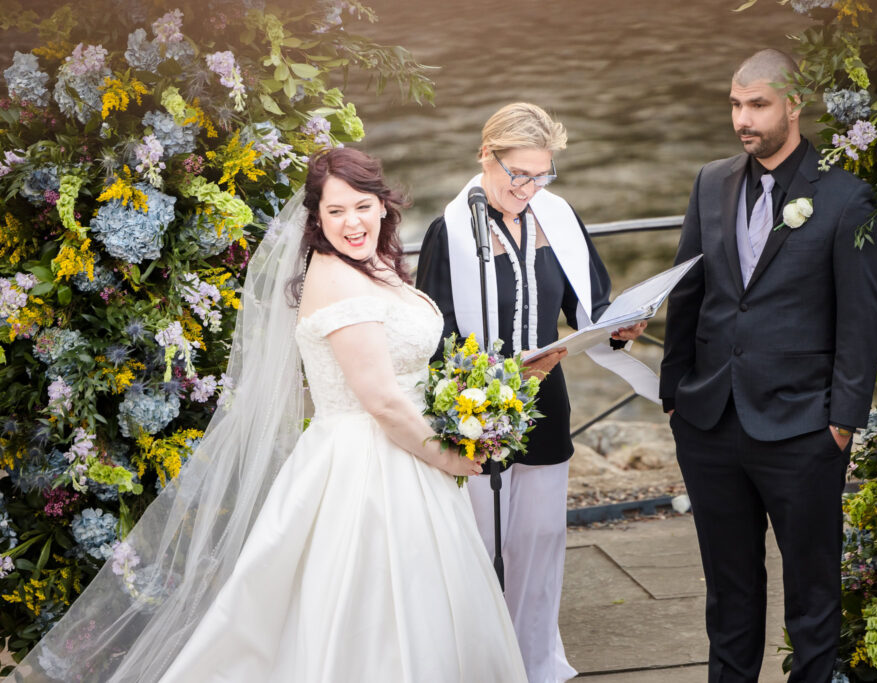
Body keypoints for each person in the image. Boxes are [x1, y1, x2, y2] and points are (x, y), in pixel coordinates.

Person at [6, 147, 528, 682]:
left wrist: (470, 402)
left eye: (363, 206)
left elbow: (407, 376)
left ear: (383, 205)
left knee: (424, 598)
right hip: (367, 466)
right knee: (365, 605)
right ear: (316, 219)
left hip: (405, 454)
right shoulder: (337, 279)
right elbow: (382, 400)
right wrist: (449, 456)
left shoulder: (372, 263)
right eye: (336, 211)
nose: (353, 222)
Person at [659, 50, 877, 683]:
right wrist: (674, 394)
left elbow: (860, 319)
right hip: (709, 421)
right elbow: (689, 291)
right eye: (735, 104)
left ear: (794, 105)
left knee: (812, 595)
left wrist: (841, 421)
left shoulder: (845, 197)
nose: (742, 119)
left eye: (757, 105)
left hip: (802, 429)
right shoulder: (711, 181)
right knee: (728, 593)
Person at [416, 102, 648, 683]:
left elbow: (588, 304)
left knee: (540, 539)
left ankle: (533, 661)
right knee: (479, 541)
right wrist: (473, 392)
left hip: (547, 400)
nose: (529, 188)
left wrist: (619, 326)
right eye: (518, 174)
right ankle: (478, 664)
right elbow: (432, 334)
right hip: (474, 409)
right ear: (485, 157)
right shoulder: (451, 230)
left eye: (541, 174)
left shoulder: (558, 218)